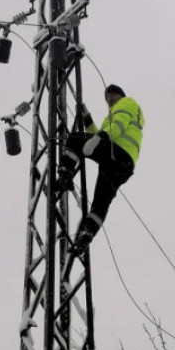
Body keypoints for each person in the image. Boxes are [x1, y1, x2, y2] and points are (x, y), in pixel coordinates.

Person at [55, 84, 145, 254]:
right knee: (100, 201)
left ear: (121, 95)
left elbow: (118, 126)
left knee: (74, 140)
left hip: (116, 153)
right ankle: (87, 234)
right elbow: (100, 133)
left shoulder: (127, 103)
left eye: (113, 95)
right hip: (123, 165)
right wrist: (88, 119)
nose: (110, 99)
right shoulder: (114, 114)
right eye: (108, 97)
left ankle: (65, 175)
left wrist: (100, 138)